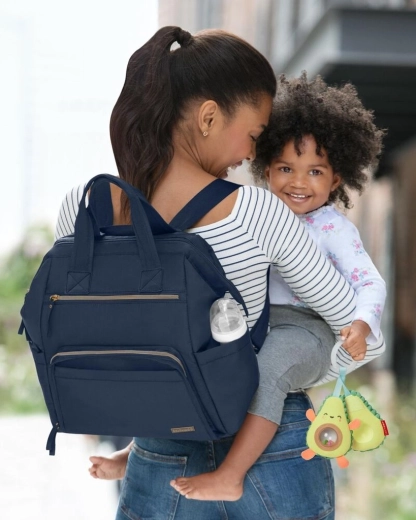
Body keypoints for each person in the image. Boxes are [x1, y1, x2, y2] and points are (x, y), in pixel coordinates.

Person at [55, 28, 384, 519]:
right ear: (209, 117)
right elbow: (363, 341)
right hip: (273, 453)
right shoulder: (258, 212)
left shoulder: (84, 208)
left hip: (159, 445)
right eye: (254, 135)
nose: (252, 154)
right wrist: (276, 373)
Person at [170, 72, 387, 501]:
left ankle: (232, 475)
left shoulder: (332, 228)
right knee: (197, 356)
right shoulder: (256, 215)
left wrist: (361, 326)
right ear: (265, 169)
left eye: (315, 171)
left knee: (270, 369)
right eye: (286, 168)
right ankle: (139, 451)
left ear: (336, 179)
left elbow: (370, 282)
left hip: (310, 330)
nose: (299, 182)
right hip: (261, 324)